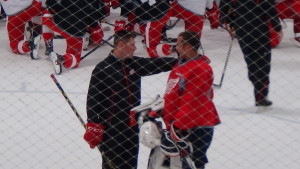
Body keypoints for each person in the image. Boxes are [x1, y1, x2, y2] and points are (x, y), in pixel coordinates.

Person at [83, 30, 178, 169]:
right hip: (112, 130)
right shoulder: (102, 69)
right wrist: (93, 125)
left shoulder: (133, 63)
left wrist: (180, 62)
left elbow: (155, 64)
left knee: (131, 163)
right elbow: (93, 99)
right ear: (121, 44)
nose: (135, 47)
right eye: (132, 44)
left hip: (132, 127)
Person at [159, 31, 221, 169]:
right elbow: (174, 93)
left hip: (194, 128)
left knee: (191, 164)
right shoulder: (181, 64)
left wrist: (177, 127)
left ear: (188, 47)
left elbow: (193, 102)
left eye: (179, 44)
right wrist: (161, 110)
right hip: (179, 127)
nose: (176, 48)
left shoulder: (200, 69)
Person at [219, 0, 282, 106]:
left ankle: (256, 81)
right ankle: (260, 93)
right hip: (259, 29)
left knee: (251, 60)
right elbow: (269, 7)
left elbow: (223, 9)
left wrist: (230, 22)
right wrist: (277, 27)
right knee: (262, 63)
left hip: (242, 29)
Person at [45, 0, 106, 75]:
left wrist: (60, 11)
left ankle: (47, 43)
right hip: (75, 32)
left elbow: (49, 3)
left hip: (58, 23)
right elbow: (93, 21)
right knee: (76, 60)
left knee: (46, 15)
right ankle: (62, 58)